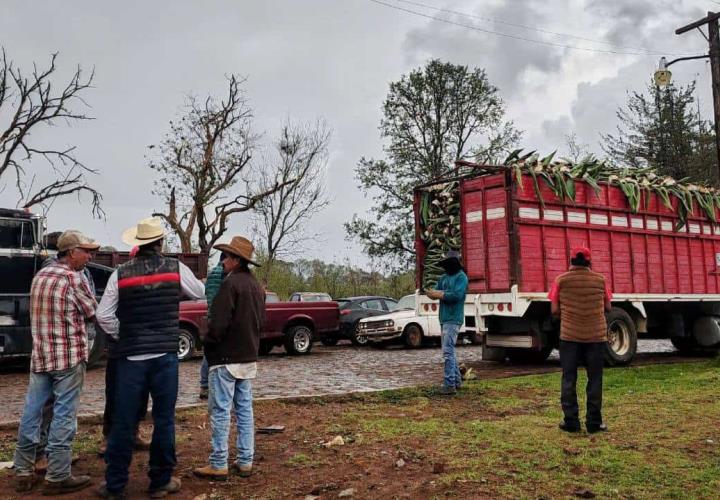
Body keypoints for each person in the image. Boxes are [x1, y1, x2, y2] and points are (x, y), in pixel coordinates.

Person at [96, 217, 205, 498]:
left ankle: (115, 484)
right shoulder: (175, 268)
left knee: (124, 420)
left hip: (131, 358)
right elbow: (200, 292)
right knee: (164, 419)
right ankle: (160, 480)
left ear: (137, 243)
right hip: (165, 355)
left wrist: (123, 333)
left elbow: (103, 315)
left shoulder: (119, 273)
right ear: (160, 242)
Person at [13, 230, 100, 495]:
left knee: (32, 411)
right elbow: (92, 312)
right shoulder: (75, 279)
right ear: (71, 252)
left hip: (41, 356)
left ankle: (23, 470)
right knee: (64, 414)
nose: (90, 255)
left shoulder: (40, 276)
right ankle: (58, 474)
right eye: (86, 251)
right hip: (68, 356)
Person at [193, 236, 265, 481]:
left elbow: (219, 323)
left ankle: (218, 462)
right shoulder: (256, 286)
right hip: (248, 355)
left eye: (226, 257)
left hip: (225, 356)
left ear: (235, 260)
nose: (222, 262)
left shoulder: (230, 285)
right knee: (244, 409)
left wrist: (207, 338)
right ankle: (246, 460)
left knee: (221, 410)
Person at [548, 247, 612, 434]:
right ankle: (594, 423)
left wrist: (567, 314)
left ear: (571, 261)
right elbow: (608, 307)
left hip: (569, 337)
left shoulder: (561, 280)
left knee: (569, 378)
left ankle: (571, 422)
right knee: (595, 379)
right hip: (596, 337)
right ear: (589, 262)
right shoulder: (600, 280)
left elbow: (553, 310)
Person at [425, 250, 469, 396]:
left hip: (454, 318)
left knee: (448, 351)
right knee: (450, 351)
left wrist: (440, 294)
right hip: (444, 318)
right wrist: (431, 293)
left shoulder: (461, 277)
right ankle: (456, 381)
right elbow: (436, 292)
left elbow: (457, 295)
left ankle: (449, 385)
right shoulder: (443, 278)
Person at [199, 253, 227, 400]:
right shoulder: (225, 274)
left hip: (210, 314)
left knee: (208, 353)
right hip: (220, 316)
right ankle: (214, 385)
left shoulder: (211, 275)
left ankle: (204, 385)